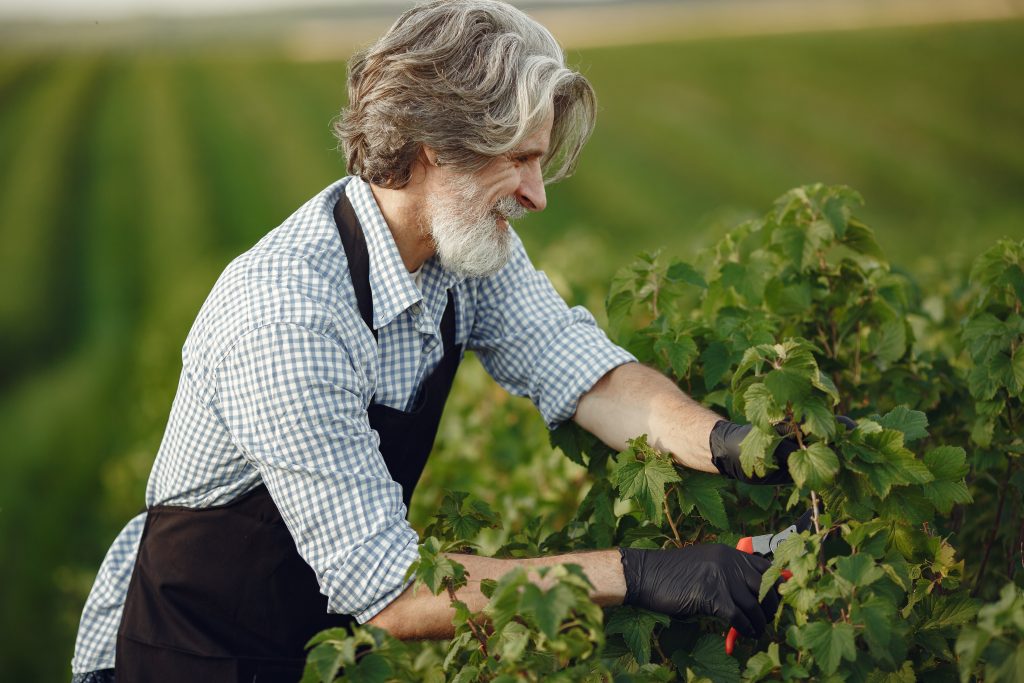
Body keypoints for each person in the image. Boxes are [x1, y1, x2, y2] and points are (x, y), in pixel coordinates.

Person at [70, 2, 809, 681]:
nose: (537, 194)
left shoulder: (462, 253)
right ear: (433, 146)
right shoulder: (289, 315)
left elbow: (587, 376)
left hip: (317, 651)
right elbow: (390, 588)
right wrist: (646, 573)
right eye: (517, 158)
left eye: (539, 161)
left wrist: (744, 446)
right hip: (191, 653)